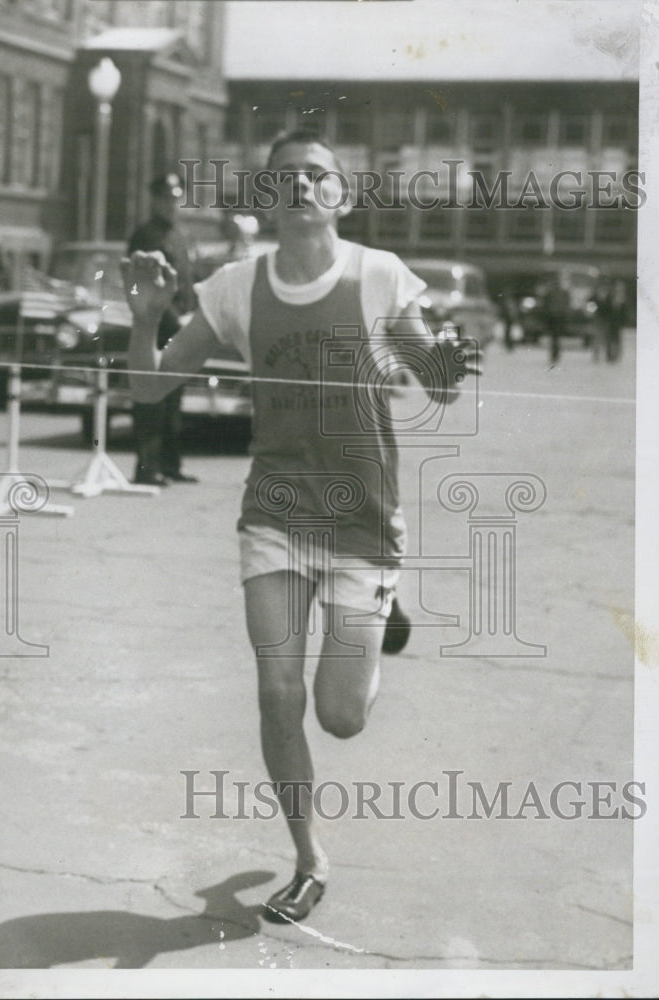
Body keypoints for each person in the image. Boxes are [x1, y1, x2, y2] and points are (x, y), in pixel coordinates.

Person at [122, 128, 481, 923]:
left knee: (339, 716)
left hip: (361, 522)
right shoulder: (232, 288)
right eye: (280, 174)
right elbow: (147, 391)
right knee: (276, 692)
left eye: (315, 174)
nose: (298, 185)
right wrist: (145, 316)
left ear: (338, 196)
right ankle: (308, 856)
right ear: (264, 197)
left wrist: (446, 358)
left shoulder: (380, 276)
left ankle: (384, 604)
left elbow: (443, 388)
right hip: (276, 516)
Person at [126, 173, 199, 486]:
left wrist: (193, 314)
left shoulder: (177, 236)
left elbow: (185, 283)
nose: (172, 204)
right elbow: (148, 288)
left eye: (176, 198)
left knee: (172, 400)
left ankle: (170, 465)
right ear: (154, 201)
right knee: (151, 401)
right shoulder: (146, 236)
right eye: (167, 199)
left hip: (178, 327)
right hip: (156, 328)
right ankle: (146, 468)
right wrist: (176, 321)